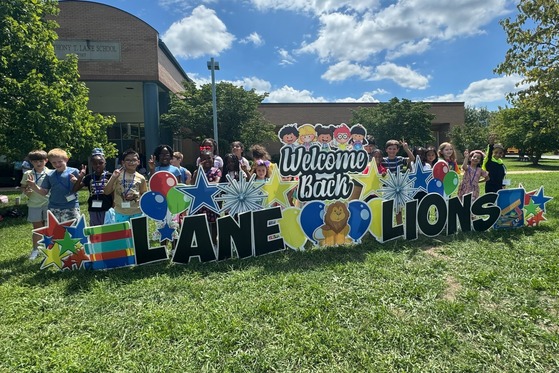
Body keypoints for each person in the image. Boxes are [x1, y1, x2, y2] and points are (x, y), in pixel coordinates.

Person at [26, 148, 83, 223]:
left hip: (71, 206)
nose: (57, 164)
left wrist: (76, 181)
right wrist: (34, 186)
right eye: (54, 163)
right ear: (50, 162)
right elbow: (44, 192)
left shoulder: (74, 171)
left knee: (73, 231)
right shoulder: (49, 174)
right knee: (55, 233)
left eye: (60, 162)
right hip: (53, 208)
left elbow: (81, 186)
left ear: (66, 159)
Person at [20, 150, 49, 260]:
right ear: (31, 162)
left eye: (41, 161)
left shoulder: (50, 173)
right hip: (34, 204)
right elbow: (23, 186)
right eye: (35, 161)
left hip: (48, 203)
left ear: (46, 161)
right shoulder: (27, 174)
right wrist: (25, 191)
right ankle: (36, 249)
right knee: (37, 228)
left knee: (48, 226)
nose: (38, 163)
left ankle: (49, 248)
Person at [104, 149, 147, 222]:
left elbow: (144, 195)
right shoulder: (117, 176)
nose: (131, 162)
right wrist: (113, 177)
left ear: (138, 162)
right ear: (123, 162)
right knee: (122, 233)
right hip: (120, 212)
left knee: (137, 233)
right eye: (128, 160)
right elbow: (106, 192)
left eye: (134, 160)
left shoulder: (141, 178)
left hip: (137, 212)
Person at [72, 148, 113, 226]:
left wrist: (113, 206)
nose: (98, 165)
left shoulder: (110, 176)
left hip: (107, 207)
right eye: (94, 163)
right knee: (95, 230)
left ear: (105, 163)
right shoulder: (89, 177)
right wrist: (80, 177)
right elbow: (75, 189)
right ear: (91, 164)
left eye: (100, 163)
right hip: (93, 208)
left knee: (108, 228)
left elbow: (113, 193)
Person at [191, 150, 221, 239]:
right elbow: (193, 184)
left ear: (213, 159)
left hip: (211, 201)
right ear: (200, 160)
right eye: (204, 159)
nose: (207, 161)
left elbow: (216, 182)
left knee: (214, 222)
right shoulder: (197, 171)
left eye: (209, 158)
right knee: (201, 222)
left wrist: (203, 185)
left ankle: (214, 241)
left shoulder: (216, 171)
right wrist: (199, 170)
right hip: (199, 202)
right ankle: (202, 241)